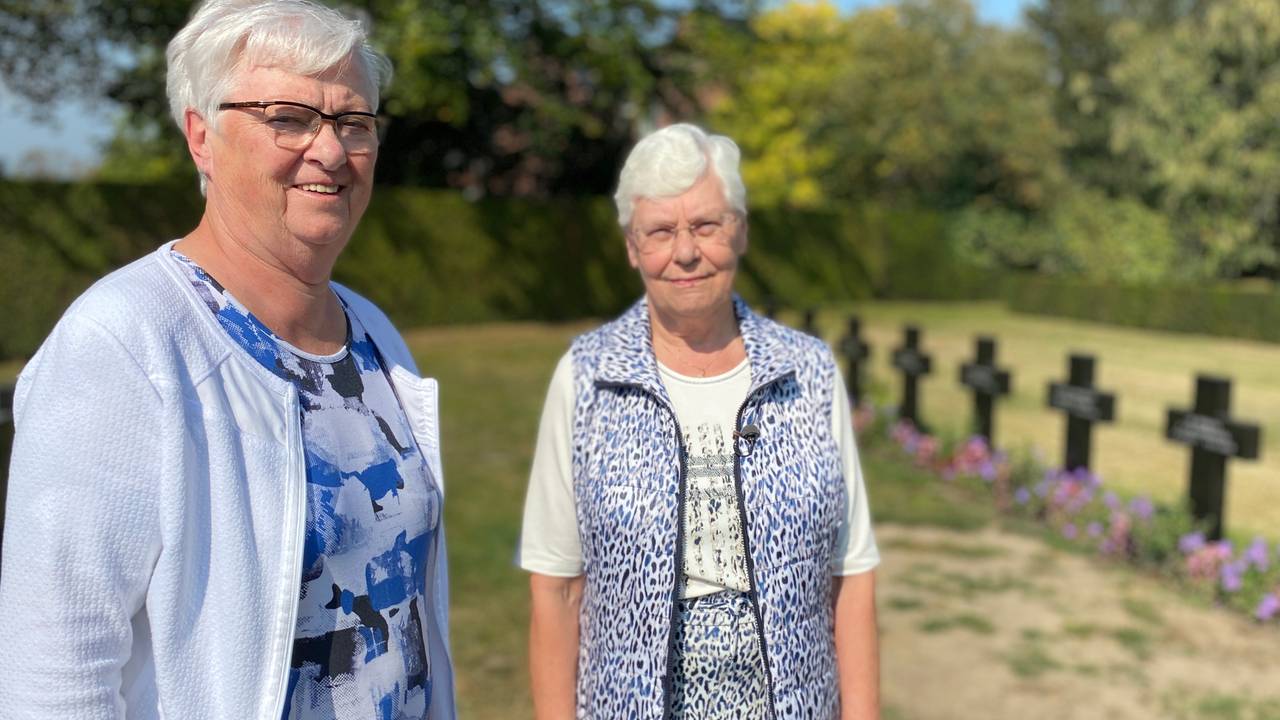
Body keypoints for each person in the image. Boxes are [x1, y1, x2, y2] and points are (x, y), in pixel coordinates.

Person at [0, 1, 455, 718]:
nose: (331, 151)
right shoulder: (125, 342)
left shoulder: (372, 335)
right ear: (201, 138)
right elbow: (54, 672)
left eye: (353, 122)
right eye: (289, 118)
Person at [518, 123, 881, 719]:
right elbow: (555, 589)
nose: (685, 252)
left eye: (706, 226)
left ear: (739, 232)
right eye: (660, 232)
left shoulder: (806, 370)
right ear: (633, 248)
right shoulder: (588, 376)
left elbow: (852, 574)